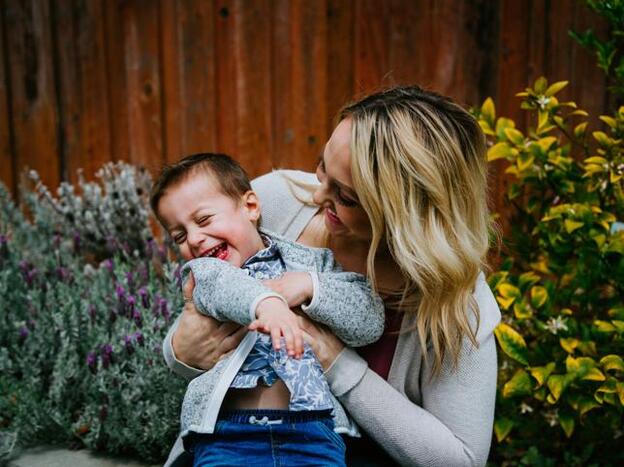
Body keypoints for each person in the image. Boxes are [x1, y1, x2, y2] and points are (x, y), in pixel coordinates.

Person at [164, 85, 502, 466]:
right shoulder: (274, 201)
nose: (318, 195)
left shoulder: (457, 301)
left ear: (406, 215)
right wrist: (181, 350)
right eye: (322, 166)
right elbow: (206, 299)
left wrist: (337, 363)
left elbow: (461, 459)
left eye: (346, 197)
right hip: (232, 443)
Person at [150, 153, 385, 466]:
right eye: (179, 235)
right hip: (228, 435)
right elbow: (225, 287)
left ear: (250, 207)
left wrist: (311, 286)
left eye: (204, 220)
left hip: (313, 430)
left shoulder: (312, 264)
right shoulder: (204, 275)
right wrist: (267, 303)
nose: (193, 239)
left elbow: (368, 320)